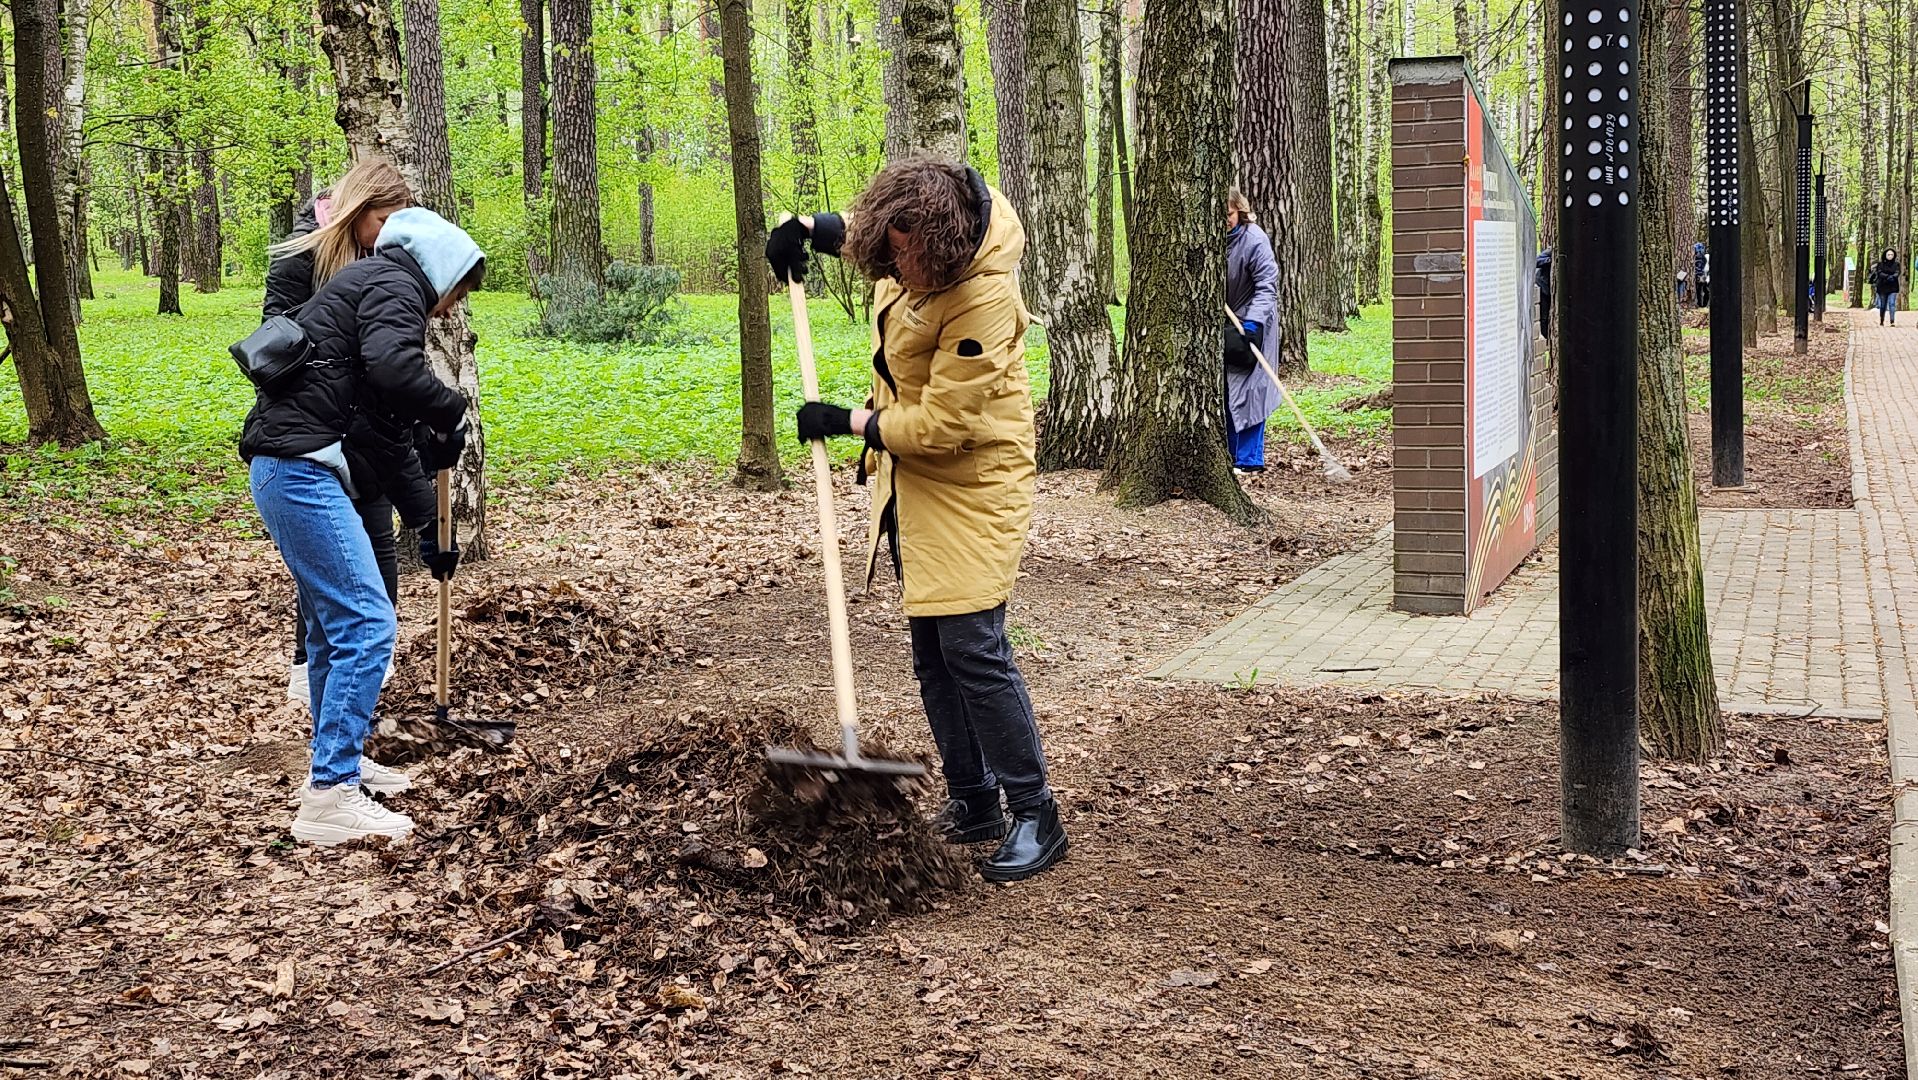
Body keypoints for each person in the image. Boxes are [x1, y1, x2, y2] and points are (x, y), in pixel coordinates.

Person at [763, 156, 1067, 883]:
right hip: (912, 482)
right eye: (887, 247)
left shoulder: (984, 295)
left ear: (942, 248)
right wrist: (806, 228)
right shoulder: (915, 237)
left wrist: (849, 420)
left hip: (972, 478)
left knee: (973, 645)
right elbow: (873, 237)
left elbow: (943, 424)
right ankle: (973, 801)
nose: (892, 262)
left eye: (904, 253)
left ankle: (1036, 812)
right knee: (933, 648)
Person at [242, 206, 481, 844]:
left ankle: (338, 768)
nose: (452, 310)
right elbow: (395, 369)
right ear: (441, 268)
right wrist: (452, 409)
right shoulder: (394, 283)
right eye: (457, 292)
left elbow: (381, 434)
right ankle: (330, 795)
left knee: (328, 633)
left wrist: (430, 524)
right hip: (300, 474)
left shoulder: (370, 288)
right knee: (368, 623)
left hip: (292, 469)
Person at [266, 161, 425, 714]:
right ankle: (313, 676)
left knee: (377, 551)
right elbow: (277, 344)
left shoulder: (386, 255)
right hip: (313, 436)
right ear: (357, 212)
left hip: (371, 434)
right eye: (382, 220)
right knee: (330, 565)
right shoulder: (298, 258)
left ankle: (359, 695)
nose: (390, 233)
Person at [1223, 189, 1282, 474]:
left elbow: (1266, 286)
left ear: (1240, 212)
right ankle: (1231, 456)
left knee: (1252, 390)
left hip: (1255, 324)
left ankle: (1248, 460)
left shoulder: (1254, 239)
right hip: (1228, 322)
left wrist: (1253, 323)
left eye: (1230, 215)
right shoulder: (1214, 242)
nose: (1225, 221)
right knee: (1227, 389)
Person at [1871, 248, 1902, 326]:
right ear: (1885, 255)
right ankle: (1882, 319)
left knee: (1892, 303)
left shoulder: (1896, 264)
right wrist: (1887, 277)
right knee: (1883, 305)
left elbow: (1897, 272)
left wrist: (1892, 277)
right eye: (1888, 254)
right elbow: (1879, 272)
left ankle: (1892, 321)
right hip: (1882, 287)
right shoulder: (1880, 264)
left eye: (1892, 254)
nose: (1890, 256)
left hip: (1893, 287)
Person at [1536, 247, 1553, 337]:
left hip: (1551, 291)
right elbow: (1536, 261)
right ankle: (1546, 337)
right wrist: (1550, 260)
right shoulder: (1551, 250)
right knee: (1544, 316)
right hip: (1543, 286)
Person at [1693, 242, 1710, 309]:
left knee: (1701, 290)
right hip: (1702, 275)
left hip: (1701, 276)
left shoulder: (1700, 256)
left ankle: (1702, 304)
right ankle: (1702, 304)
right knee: (1703, 290)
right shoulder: (1701, 257)